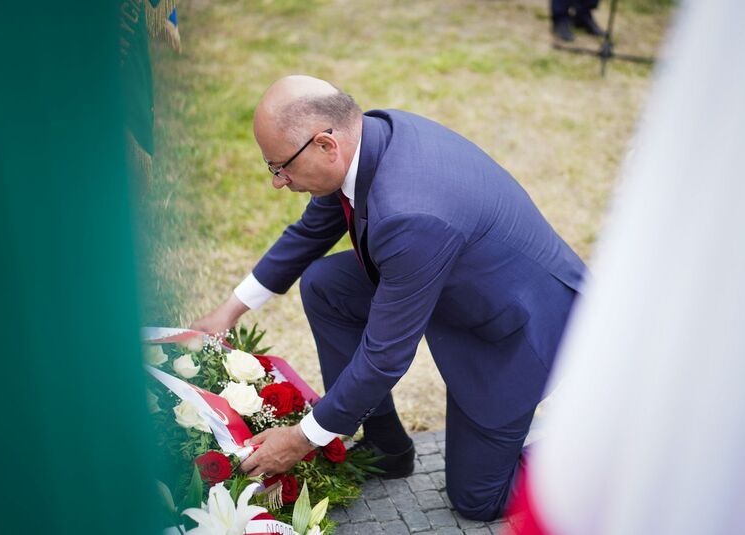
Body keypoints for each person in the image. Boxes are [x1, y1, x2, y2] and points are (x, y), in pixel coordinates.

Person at [192, 75, 586, 521]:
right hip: (450, 282)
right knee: (327, 285)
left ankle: (598, 451)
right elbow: (309, 233)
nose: (278, 183)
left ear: (325, 144)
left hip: (518, 328)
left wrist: (302, 438)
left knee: (479, 499)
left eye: (280, 167)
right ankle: (386, 446)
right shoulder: (369, 140)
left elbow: (385, 356)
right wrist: (229, 311)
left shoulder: (410, 214)